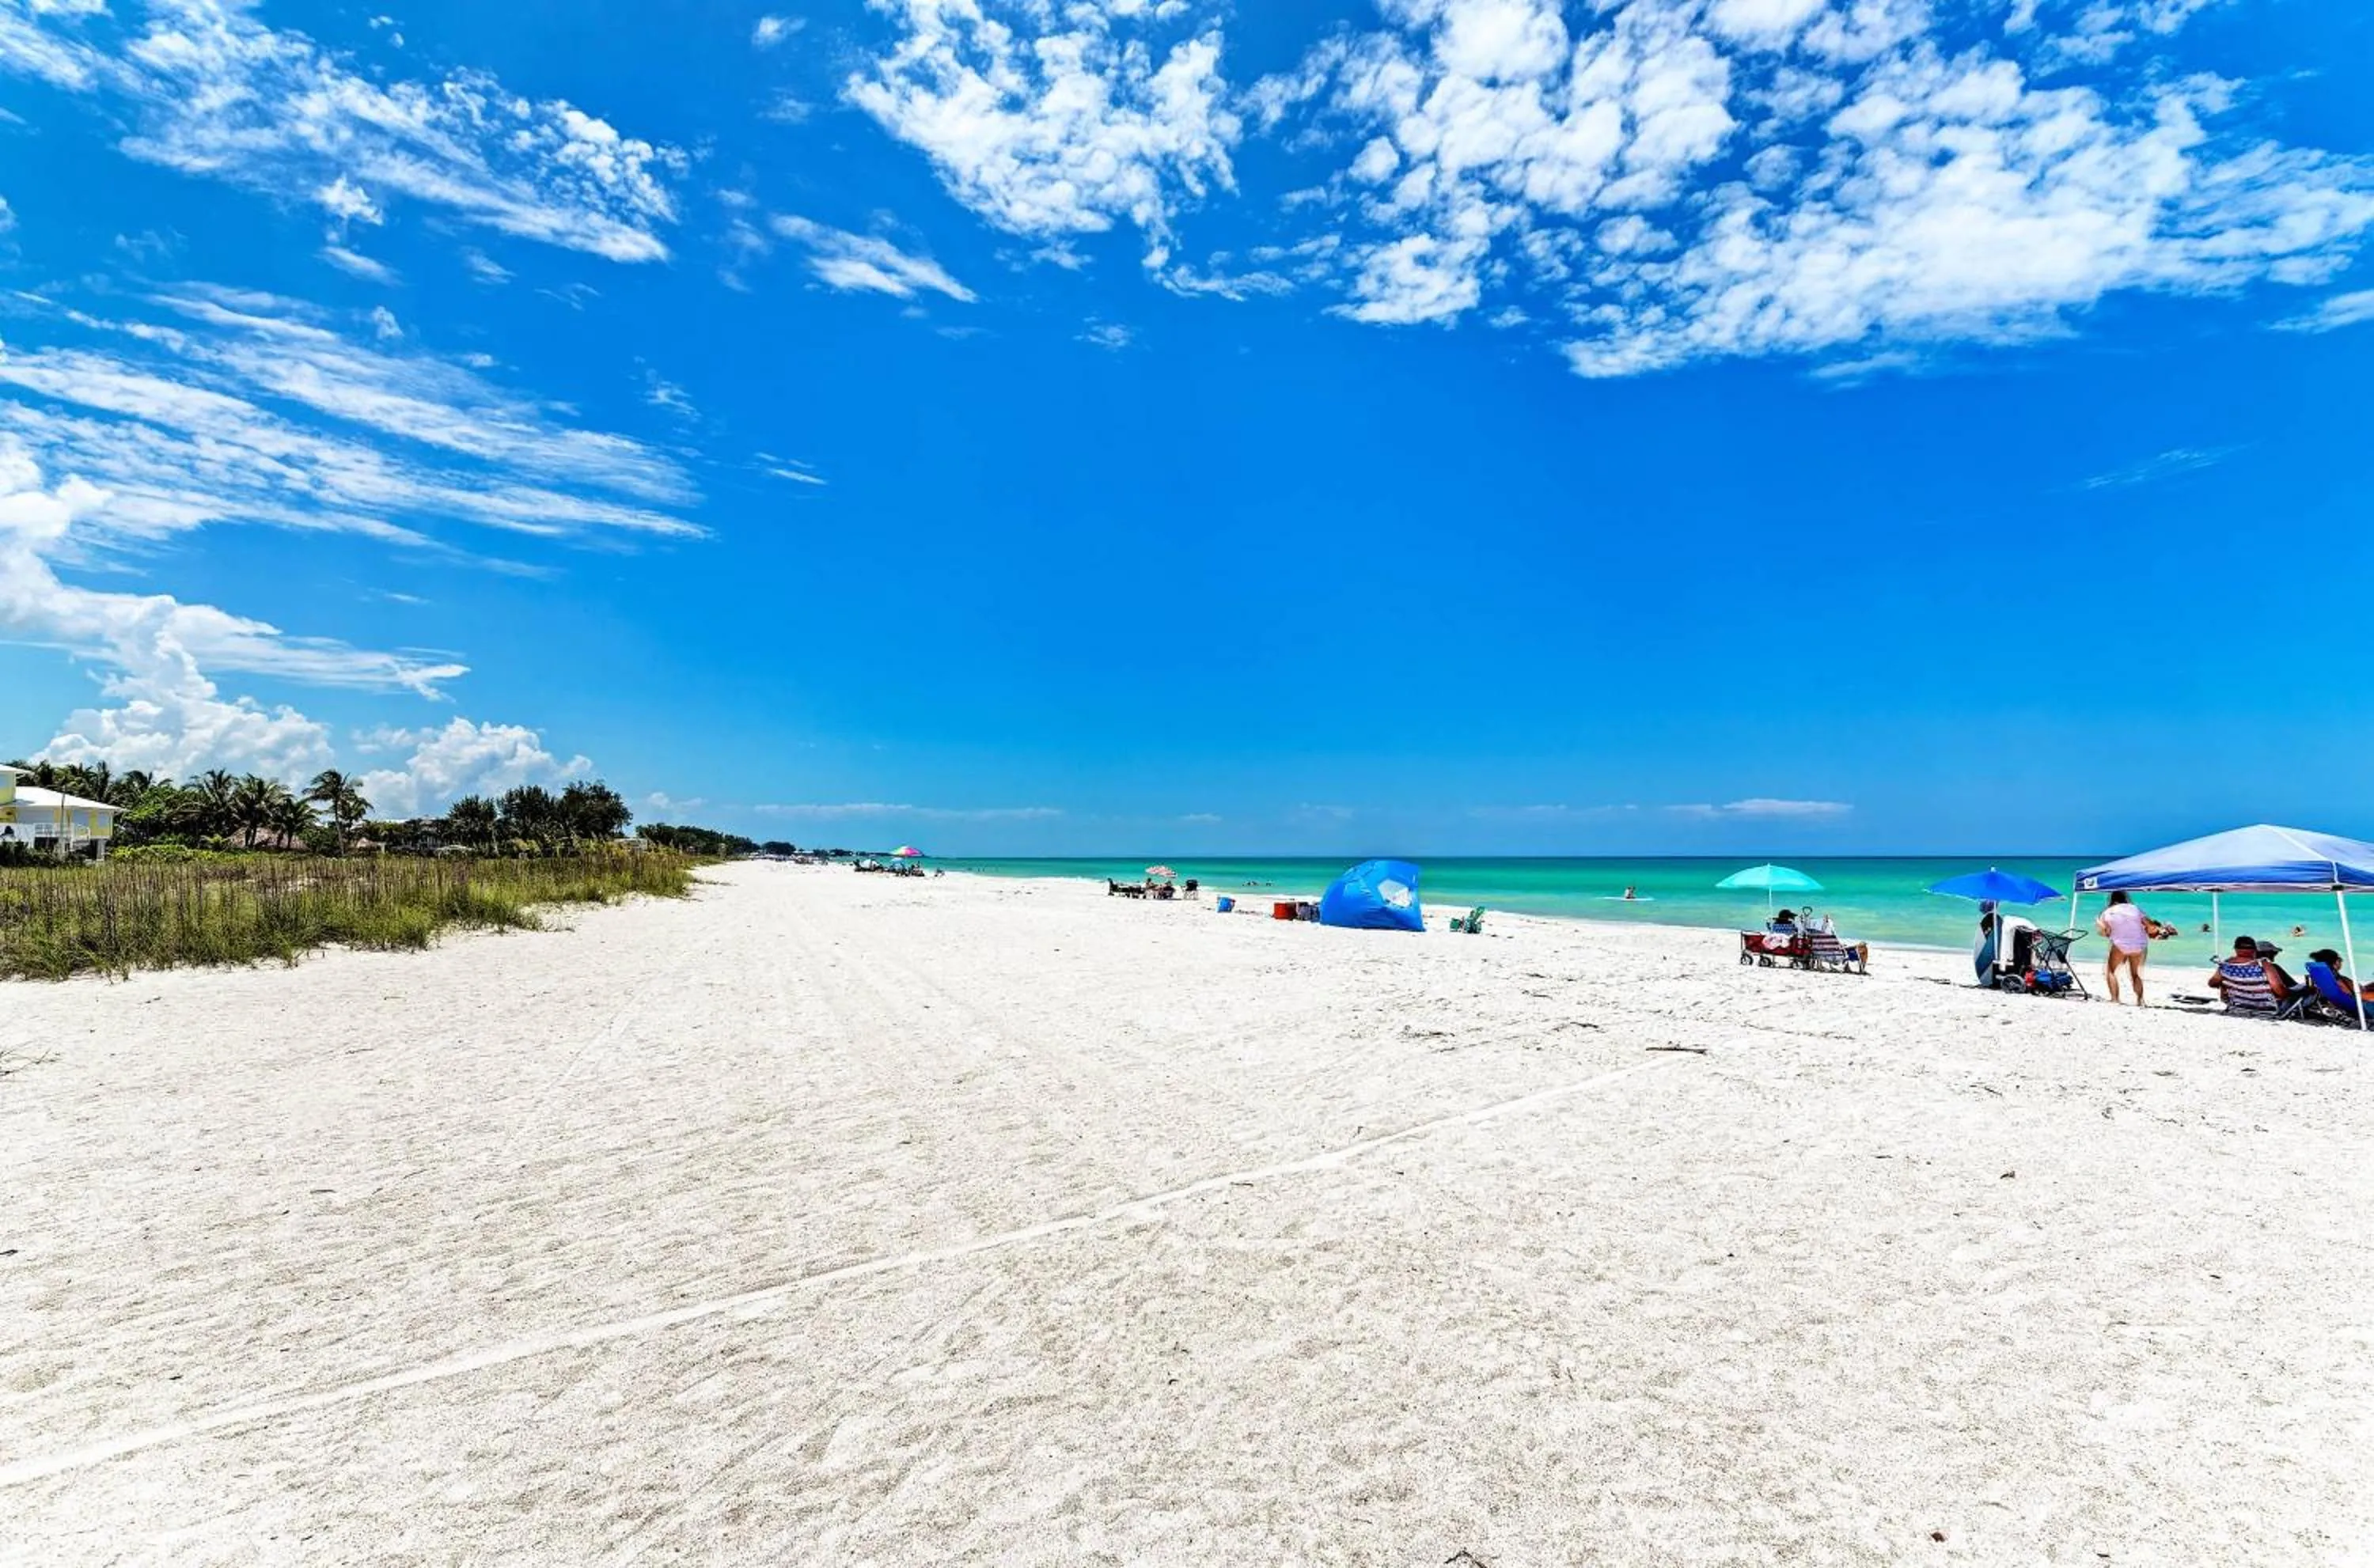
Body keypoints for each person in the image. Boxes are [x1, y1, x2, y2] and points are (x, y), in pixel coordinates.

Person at [2095, 890, 2153, 1006]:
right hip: (2139, 945)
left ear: (2111, 899)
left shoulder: (2107, 912)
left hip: (2120, 945)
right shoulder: (2135, 909)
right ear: (2125, 897)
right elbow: (2149, 925)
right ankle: (2140, 1000)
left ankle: (2115, 999)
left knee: (2110, 971)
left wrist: (2099, 923)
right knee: (2135, 974)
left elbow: (2105, 933)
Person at [2209, 936, 2286, 1016]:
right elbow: (2280, 991)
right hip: (2266, 1007)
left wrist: (2224, 983)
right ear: (2254, 950)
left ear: (2235, 949)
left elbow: (2212, 984)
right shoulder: (2264, 965)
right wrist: (2290, 993)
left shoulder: (2226, 966)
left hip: (2239, 1005)